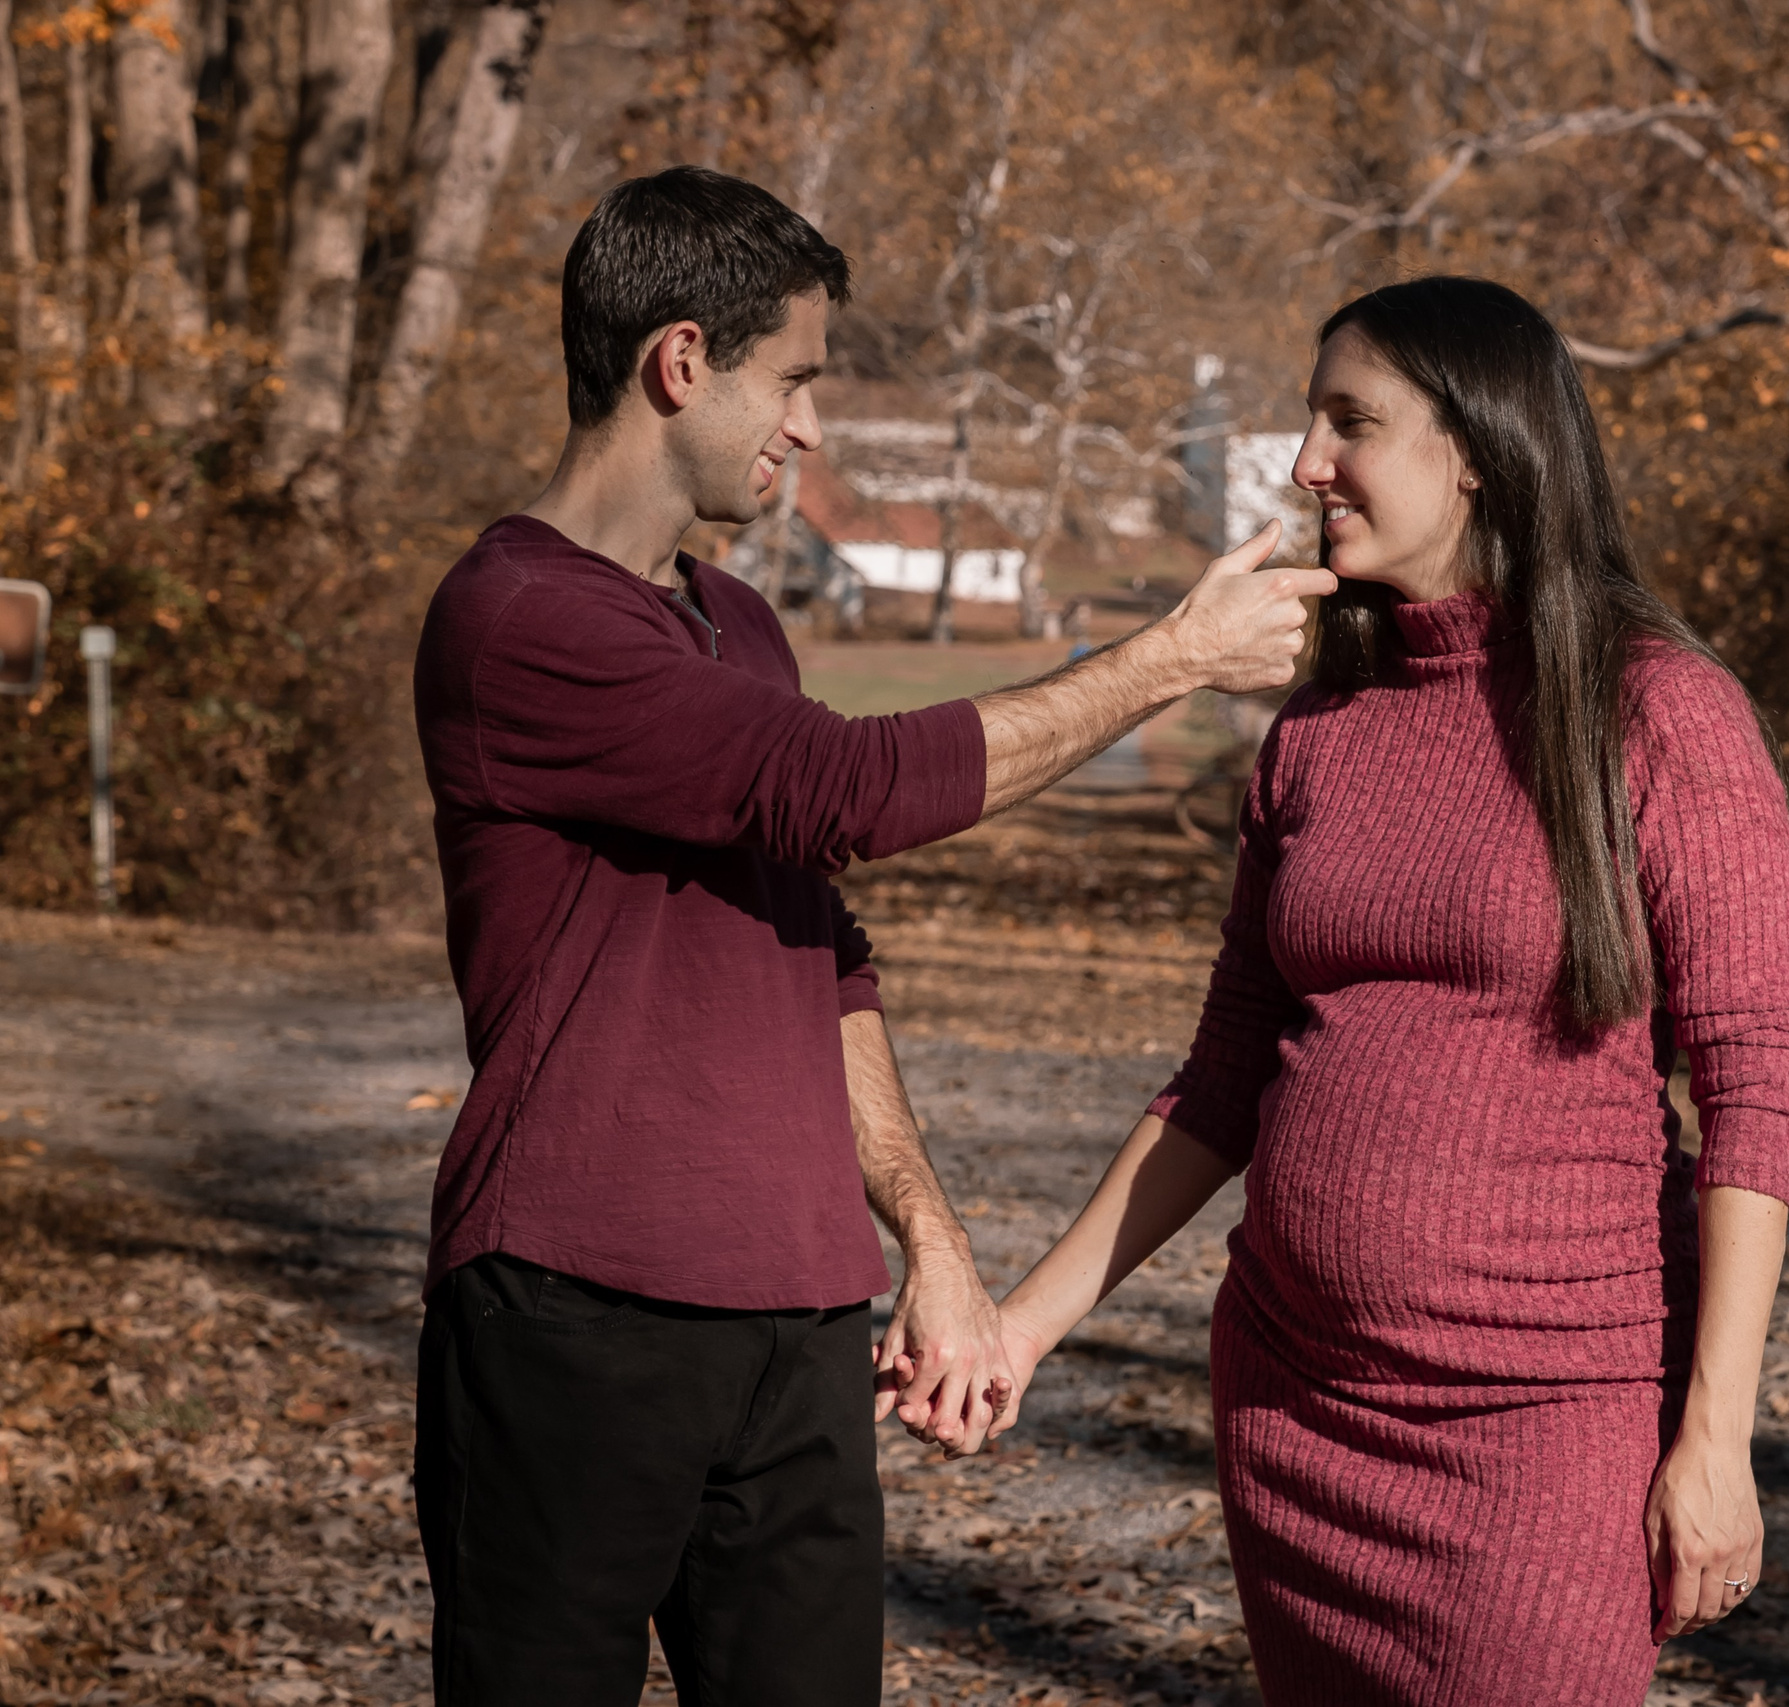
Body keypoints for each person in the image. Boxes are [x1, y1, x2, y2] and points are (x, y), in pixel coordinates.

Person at [406, 165, 1333, 1706]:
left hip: (800, 1319)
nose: (811, 428)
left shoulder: (742, 627)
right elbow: (844, 791)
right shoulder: (517, 619)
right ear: (681, 362)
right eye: (797, 381)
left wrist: (933, 1237)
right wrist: (1170, 661)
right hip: (576, 1314)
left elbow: (817, 952)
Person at [989, 276, 1789, 1705]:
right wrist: (1022, 1327)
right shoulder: (1323, 725)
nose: (1308, 463)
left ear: (1479, 446)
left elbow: (1751, 1087)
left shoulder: (1659, 712)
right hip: (1293, 1411)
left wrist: (1715, 1436)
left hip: (1542, 1427)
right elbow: (1226, 1072)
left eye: (1348, 422)